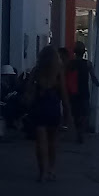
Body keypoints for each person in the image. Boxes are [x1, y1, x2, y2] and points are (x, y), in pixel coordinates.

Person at [24, 46, 71, 182]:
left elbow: (28, 89)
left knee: (40, 142)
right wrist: (67, 113)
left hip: (39, 107)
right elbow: (64, 93)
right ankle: (51, 169)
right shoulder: (58, 72)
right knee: (52, 142)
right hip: (53, 108)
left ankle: (42, 172)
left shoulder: (36, 70)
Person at [66, 41, 99, 143]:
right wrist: (98, 83)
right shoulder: (88, 64)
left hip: (73, 91)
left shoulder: (70, 64)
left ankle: (78, 131)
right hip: (84, 91)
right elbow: (93, 77)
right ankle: (81, 131)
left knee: (75, 113)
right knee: (85, 113)